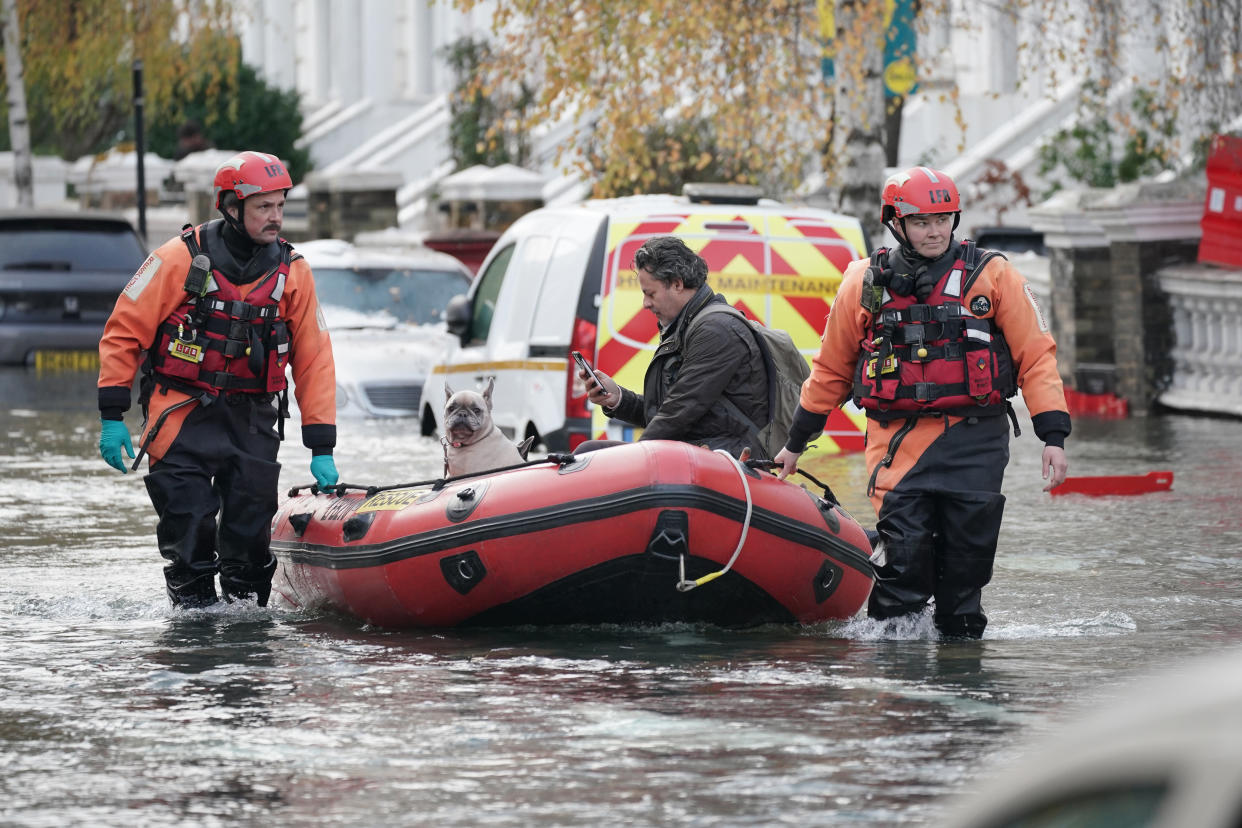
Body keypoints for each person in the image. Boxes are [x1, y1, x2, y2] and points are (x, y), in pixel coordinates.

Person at [774, 166, 1070, 639]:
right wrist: (795, 442)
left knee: (963, 581)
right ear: (897, 223)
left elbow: (1036, 356)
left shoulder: (992, 275)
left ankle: (960, 675)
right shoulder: (864, 282)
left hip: (976, 444)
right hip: (898, 448)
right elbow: (829, 370)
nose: (934, 232)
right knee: (903, 571)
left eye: (943, 220)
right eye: (921, 221)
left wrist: (1052, 435)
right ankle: (898, 687)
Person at [96, 150, 338, 608]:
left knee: (249, 550)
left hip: (251, 423)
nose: (276, 217)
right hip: (180, 417)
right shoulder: (177, 258)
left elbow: (314, 360)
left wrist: (321, 447)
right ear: (231, 207)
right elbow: (123, 330)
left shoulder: (294, 273)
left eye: (281, 206)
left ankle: (244, 652)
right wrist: (112, 415)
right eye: (264, 207)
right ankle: (193, 644)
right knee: (188, 538)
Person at [578, 235, 769, 459]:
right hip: (700, 451)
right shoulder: (688, 325)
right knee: (589, 453)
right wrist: (618, 398)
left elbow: (677, 413)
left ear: (677, 284)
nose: (645, 303)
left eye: (651, 293)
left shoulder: (716, 330)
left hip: (727, 460)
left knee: (591, 456)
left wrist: (633, 462)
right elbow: (666, 412)